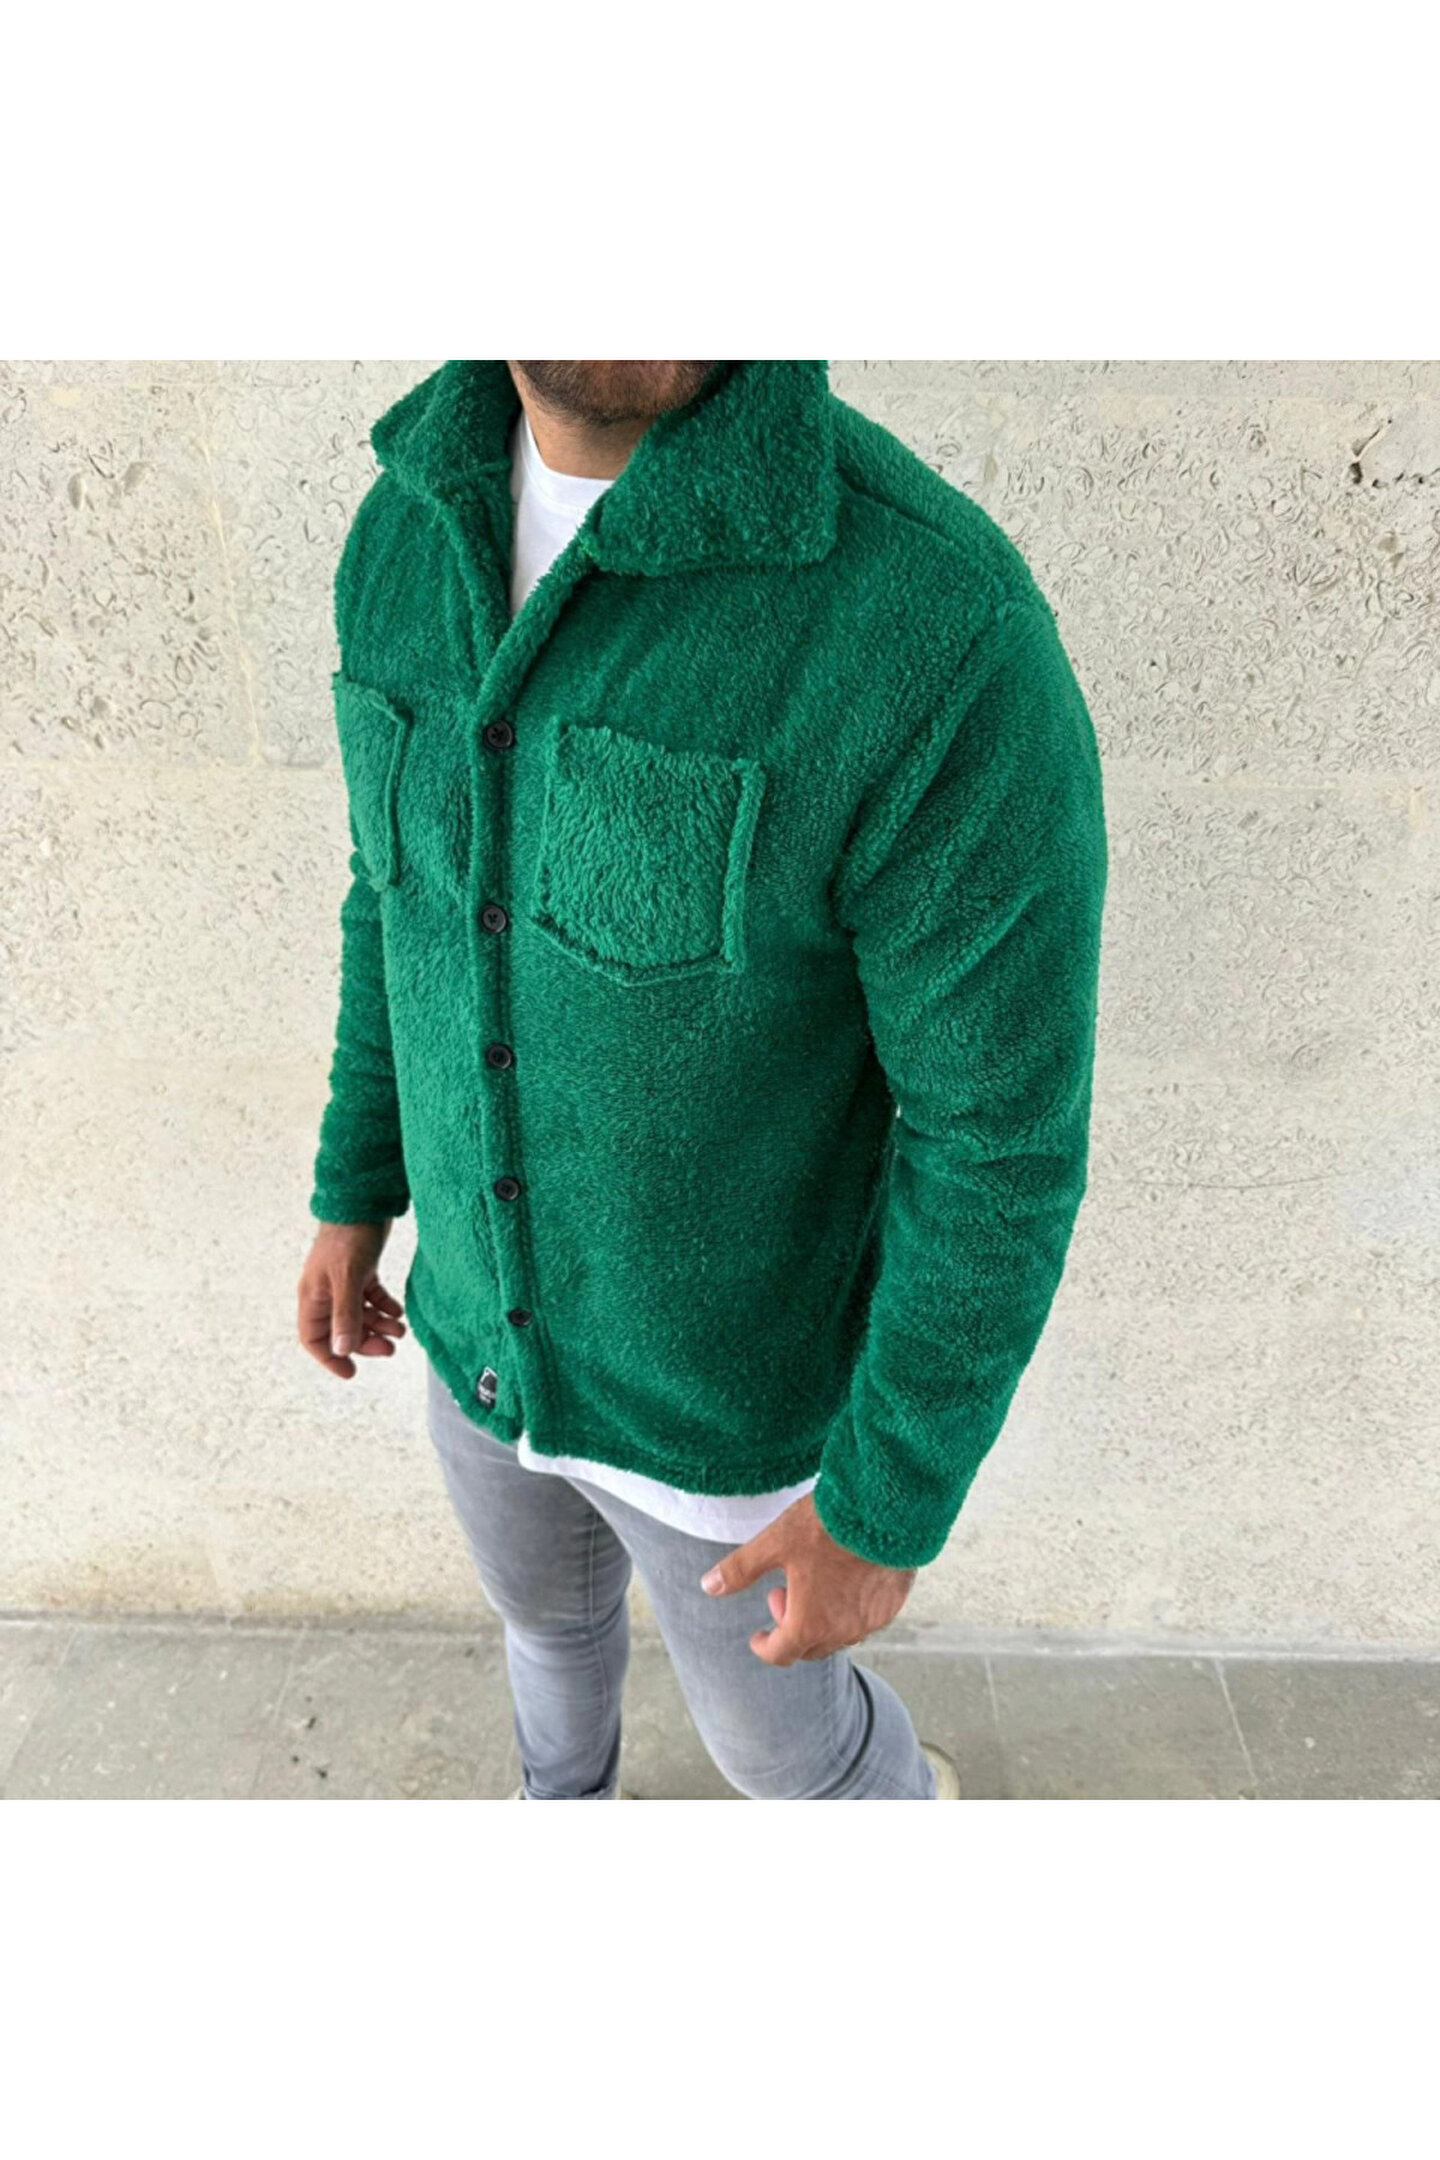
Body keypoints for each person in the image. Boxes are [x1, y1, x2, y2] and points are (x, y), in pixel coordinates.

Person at [297, 361, 1107, 1800]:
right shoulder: (404, 529)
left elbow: (998, 1139)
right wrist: (355, 1189)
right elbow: (397, 898)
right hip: (475, 1339)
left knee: (791, 1758)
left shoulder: (935, 627)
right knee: (544, 1626)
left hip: (730, 1421)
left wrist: (887, 1503)